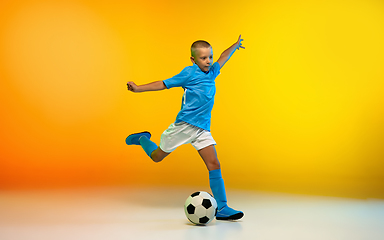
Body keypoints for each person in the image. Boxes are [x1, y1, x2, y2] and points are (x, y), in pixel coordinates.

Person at [126, 35, 245, 220]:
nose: (208, 61)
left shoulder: (212, 72)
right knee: (157, 157)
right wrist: (138, 88)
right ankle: (142, 139)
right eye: (203, 58)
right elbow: (163, 84)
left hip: (202, 129)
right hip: (184, 127)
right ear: (193, 59)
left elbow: (223, 57)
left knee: (214, 164)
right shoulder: (189, 73)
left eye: (209, 57)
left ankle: (222, 207)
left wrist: (235, 46)